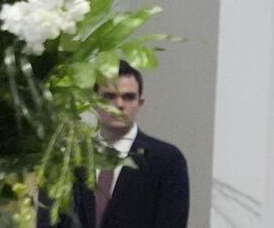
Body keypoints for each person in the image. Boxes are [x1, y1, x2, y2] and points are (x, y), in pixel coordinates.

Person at [44, 62, 190, 228]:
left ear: (140, 104)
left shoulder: (166, 160)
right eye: (109, 96)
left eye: (128, 97)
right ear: (94, 103)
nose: (119, 104)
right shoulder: (71, 158)